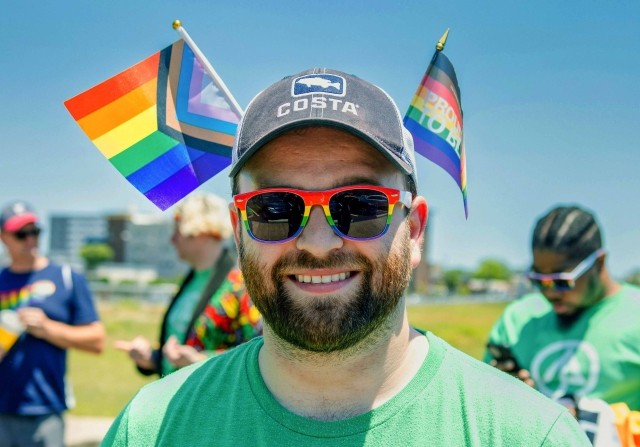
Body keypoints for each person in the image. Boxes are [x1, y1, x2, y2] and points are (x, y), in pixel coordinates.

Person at [103, 68, 589, 446]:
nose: (318, 243)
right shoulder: (152, 428)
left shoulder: (527, 435)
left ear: (414, 229)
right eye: (276, 208)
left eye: (360, 206)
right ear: (238, 231)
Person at [485, 204, 640, 444]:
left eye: (561, 281)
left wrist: (598, 423)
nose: (550, 293)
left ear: (599, 263)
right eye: (539, 280)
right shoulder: (518, 319)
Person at [115, 192, 262, 377]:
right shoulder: (191, 279)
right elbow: (182, 345)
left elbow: (258, 353)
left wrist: (200, 361)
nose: (172, 240)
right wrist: (151, 357)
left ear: (200, 232)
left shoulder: (240, 285)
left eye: (178, 231)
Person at [0, 201, 106, 447]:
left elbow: (97, 340)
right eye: (21, 234)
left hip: (46, 408)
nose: (30, 240)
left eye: (34, 232)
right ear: (4, 237)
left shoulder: (67, 278)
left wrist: (47, 329)